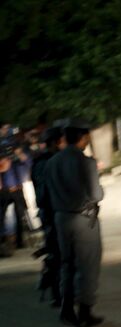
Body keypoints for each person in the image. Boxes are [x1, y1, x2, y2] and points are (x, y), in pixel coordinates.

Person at [45, 118, 104, 327]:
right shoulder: (85, 162)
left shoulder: (52, 162)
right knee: (87, 266)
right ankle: (85, 312)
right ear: (83, 137)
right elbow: (96, 194)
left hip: (61, 218)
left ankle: (66, 309)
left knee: (67, 264)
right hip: (83, 218)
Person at [30, 127, 66, 306]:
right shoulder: (54, 161)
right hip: (56, 212)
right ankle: (60, 295)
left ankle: (55, 293)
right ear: (55, 142)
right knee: (61, 255)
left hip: (46, 213)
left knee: (54, 253)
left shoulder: (38, 162)